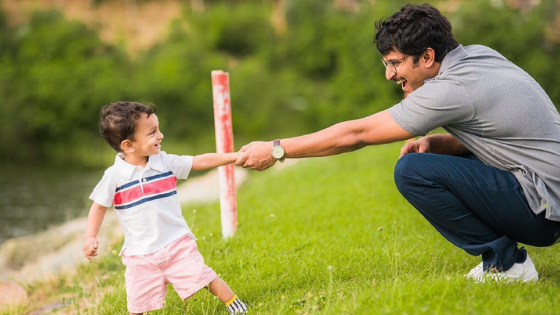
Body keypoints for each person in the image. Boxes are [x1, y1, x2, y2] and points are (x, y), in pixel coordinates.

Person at [235, 3, 560, 283]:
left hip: (543, 210)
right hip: (549, 194)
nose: (390, 75)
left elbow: (356, 134)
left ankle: (507, 264)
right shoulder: (479, 56)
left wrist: (277, 149)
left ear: (428, 56)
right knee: (425, 160)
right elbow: (506, 135)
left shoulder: (448, 89)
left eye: (395, 63)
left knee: (412, 171)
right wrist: (440, 143)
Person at [82, 101, 248, 314]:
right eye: (152, 132)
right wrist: (90, 236)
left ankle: (236, 305)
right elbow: (98, 207)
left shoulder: (164, 163)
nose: (160, 135)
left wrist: (235, 157)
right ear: (128, 145)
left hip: (176, 243)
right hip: (139, 254)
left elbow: (199, 161)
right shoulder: (114, 176)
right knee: (138, 301)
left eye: (158, 129)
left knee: (204, 276)